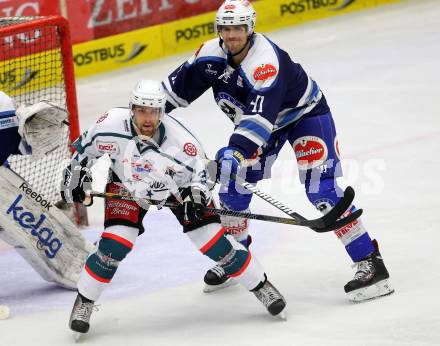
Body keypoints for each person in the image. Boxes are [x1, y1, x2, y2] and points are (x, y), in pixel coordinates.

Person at [161, 0, 394, 302]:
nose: (231, 35)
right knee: (232, 190)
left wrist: (236, 151)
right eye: (225, 28)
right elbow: (169, 94)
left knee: (322, 191)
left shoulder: (264, 62)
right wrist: (138, 119)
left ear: (250, 28)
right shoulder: (209, 56)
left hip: (304, 116)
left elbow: (259, 119)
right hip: (261, 127)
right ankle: (236, 259)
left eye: (238, 28)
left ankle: (370, 263)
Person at [61, 79, 287, 336]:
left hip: (177, 188)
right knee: (114, 245)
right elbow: (82, 150)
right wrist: (76, 173)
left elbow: (204, 174)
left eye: (154, 112)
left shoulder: (182, 143)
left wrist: (197, 197)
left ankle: (261, 286)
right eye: (142, 111)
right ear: (131, 109)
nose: (148, 118)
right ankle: (85, 300)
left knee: (214, 243)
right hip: (127, 182)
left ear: (161, 112)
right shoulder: (109, 124)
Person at [0, 91, 92, 290]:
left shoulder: (4, 106)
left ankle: (75, 258)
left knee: (30, 222)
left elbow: (13, 144)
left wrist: (24, 125)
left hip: (4, 181)